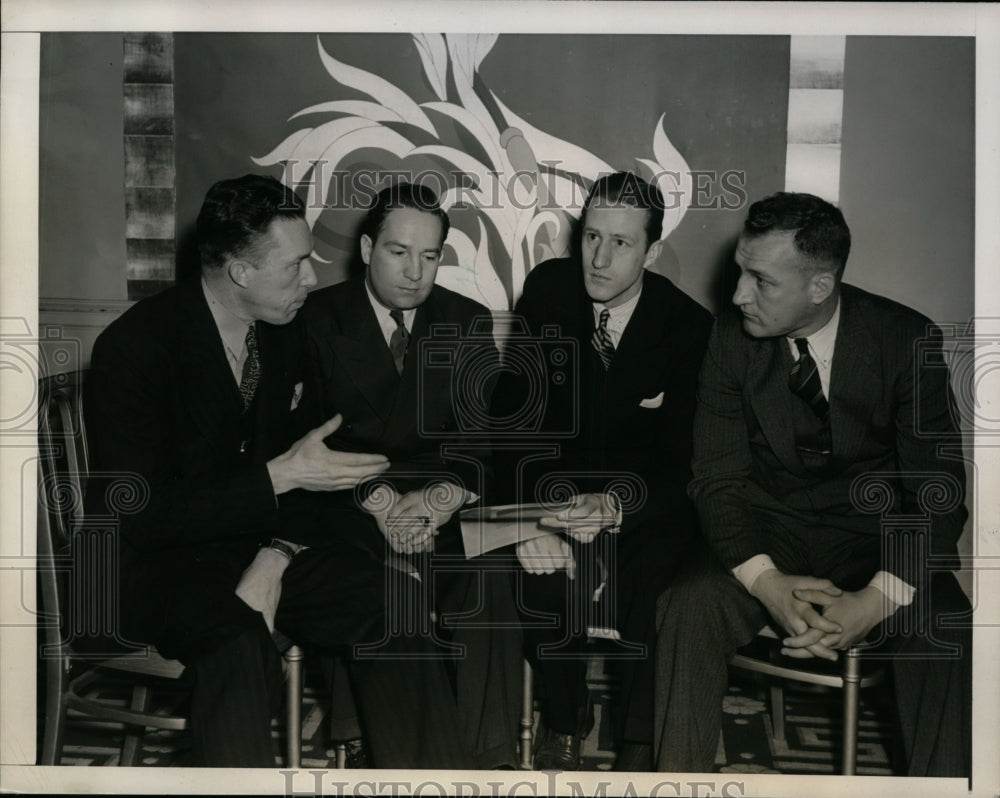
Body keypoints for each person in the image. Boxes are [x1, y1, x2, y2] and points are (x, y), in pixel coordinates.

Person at [83, 174, 471, 768]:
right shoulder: (135, 349)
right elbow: (144, 515)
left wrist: (276, 555)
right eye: (295, 266)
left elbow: (309, 472)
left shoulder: (285, 332)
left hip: (262, 541)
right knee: (239, 645)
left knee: (394, 607)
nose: (312, 279)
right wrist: (276, 479)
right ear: (241, 272)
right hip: (154, 565)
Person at [652, 191, 971, 777]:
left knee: (946, 623)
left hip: (874, 539)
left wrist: (875, 601)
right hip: (767, 530)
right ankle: (677, 782)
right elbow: (717, 480)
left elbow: (937, 492)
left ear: (819, 287)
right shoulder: (728, 338)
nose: (738, 294)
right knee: (686, 606)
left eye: (761, 281)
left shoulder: (906, 341)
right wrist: (767, 583)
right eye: (739, 272)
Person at [492, 172, 712, 770]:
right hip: (553, 495)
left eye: (621, 243)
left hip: (641, 508)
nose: (599, 257)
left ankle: (642, 743)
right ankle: (565, 721)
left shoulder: (688, 326)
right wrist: (531, 519)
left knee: (655, 588)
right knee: (535, 580)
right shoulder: (547, 291)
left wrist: (616, 508)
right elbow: (514, 420)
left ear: (653, 251)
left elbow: (686, 462)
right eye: (591, 236)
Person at [299, 181, 522, 770]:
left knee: (491, 565)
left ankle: (483, 755)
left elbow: (479, 449)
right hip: (348, 502)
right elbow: (304, 449)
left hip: (439, 503)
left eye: (430, 255)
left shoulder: (467, 321)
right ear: (369, 247)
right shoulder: (316, 319)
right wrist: (381, 504)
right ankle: (362, 733)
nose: (415, 271)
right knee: (364, 575)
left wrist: (437, 499)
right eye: (399, 252)